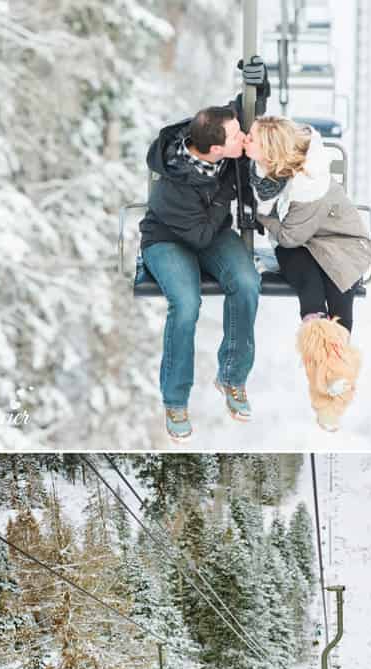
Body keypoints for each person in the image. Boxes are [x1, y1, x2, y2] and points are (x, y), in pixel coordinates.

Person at [138, 61, 269, 443]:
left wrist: (258, 86)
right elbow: (196, 236)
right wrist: (226, 194)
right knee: (186, 303)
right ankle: (175, 398)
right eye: (235, 139)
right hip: (169, 239)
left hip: (210, 229)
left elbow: (247, 110)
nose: (242, 139)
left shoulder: (216, 134)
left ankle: (232, 377)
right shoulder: (172, 186)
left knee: (246, 283)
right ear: (215, 150)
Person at [245, 117, 371, 432]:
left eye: (252, 138)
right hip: (304, 246)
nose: (246, 139)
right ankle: (327, 384)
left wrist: (261, 218)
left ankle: (333, 389)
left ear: (270, 151)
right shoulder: (271, 169)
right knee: (313, 301)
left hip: (338, 246)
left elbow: (289, 235)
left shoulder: (308, 184)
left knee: (337, 312)